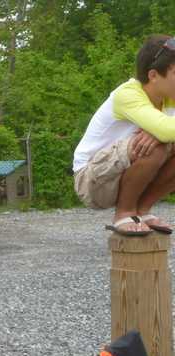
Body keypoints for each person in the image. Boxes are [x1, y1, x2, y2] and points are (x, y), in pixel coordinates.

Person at [73, 34, 175, 236]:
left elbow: (165, 130)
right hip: (91, 180)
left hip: (121, 172)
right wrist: (161, 134)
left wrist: (161, 133)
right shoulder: (127, 94)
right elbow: (165, 130)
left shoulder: (169, 98)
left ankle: (142, 211)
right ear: (153, 75)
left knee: (160, 140)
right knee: (156, 145)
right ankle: (124, 213)